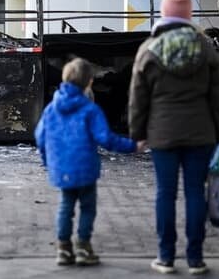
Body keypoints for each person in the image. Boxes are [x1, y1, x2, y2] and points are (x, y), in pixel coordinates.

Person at [129, 0, 219, 275]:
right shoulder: (205, 48)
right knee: (196, 193)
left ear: (164, 15)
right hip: (201, 135)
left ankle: (165, 257)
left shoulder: (148, 50)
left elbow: (138, 99)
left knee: (165, 194)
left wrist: (138, 135)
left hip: (162, 135)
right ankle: (196, 259)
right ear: (188, 16)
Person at [35, 57, 146, 267]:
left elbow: (40, 137)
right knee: (87, 208)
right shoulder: (90, 110)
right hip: (85, 169)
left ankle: (63, 249)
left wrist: (47, 161)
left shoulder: (51, 109)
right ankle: (83, 247)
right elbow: (106, 138)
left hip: (62, 169)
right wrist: (132, 146)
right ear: (89, 83)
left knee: (65, 207)